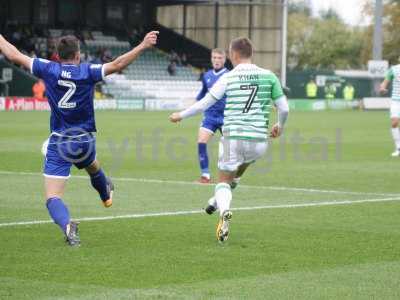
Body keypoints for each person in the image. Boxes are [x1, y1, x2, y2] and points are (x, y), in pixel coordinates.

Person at [0, 31, 158, 246]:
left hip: (60, 141)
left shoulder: (48, 68)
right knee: (92, 165)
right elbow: (118, 64)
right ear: (77, 55)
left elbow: (14, 54)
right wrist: (142, 45)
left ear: (58, 55)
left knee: (53, 198)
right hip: (84, 140)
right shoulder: (88, 71)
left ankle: (67, 226)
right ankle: (105, 193)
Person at [169, 37, 289, 242]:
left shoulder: (228, 78)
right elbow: (284, 108)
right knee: (238, 173)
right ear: (251, 53)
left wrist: (181, 114)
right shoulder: (269, 76)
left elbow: (205, 102)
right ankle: (215, 201)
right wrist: (279, 126)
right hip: (259, 141)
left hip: (233, 138)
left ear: (233, 55)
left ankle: (224, 211)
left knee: (224, 180)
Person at [195, 48, 228, 183]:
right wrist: (192, 107)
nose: (216, 60)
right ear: (211, 59)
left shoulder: (229, 75)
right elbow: (202, 94)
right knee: (201, 142)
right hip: (210, 116)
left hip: (226, 116)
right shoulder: (207, 75)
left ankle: (230, 176)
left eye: (219, 58)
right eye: (214, 58)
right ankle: (205, 176)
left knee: (231, 147)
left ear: (224, 60)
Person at [380, 62, 400, 156]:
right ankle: (398, 148)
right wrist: (383, 88)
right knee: (394, 123)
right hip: (396, 100)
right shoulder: (394, 69)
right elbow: (385, 81)